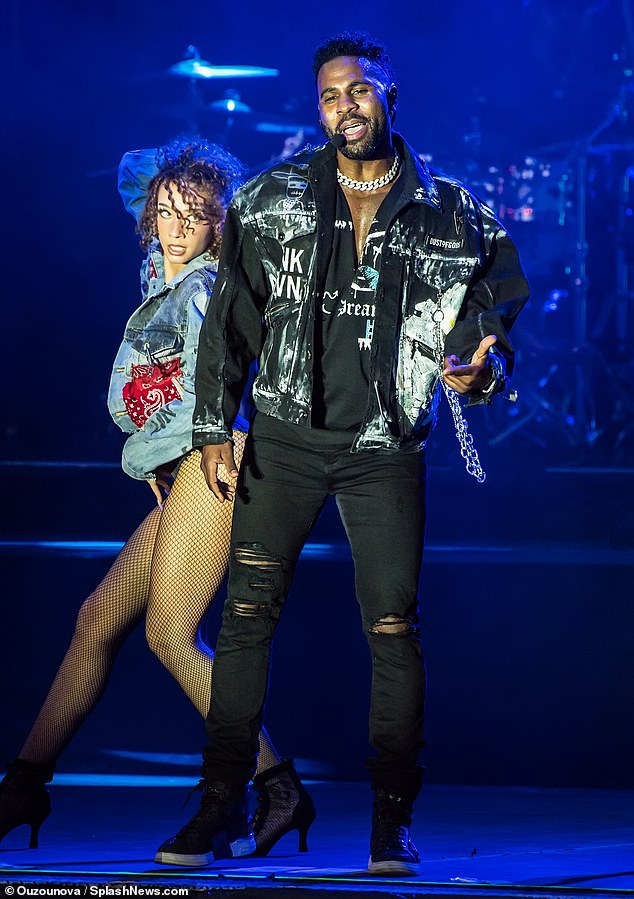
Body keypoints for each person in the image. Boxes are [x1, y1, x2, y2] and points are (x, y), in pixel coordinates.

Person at [155, 32, 529, 875]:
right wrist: (214, 424)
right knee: (246, 620)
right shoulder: (270, 198)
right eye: (329, 95)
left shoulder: (455, 212)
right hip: (283, 439)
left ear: (391, 95)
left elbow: (492, 310)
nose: (344, 106)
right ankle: (222, 804)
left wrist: (482, 364)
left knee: (394, 627)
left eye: (359, 90)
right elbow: (231, 322)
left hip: (385, 445)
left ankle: (392, 818)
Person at [0, 140, 314, 857]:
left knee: (169, 634)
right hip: (176, 476)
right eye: (165, 213)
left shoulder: (214, 286)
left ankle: (272, 786)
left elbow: (231, 373)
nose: (176, 228)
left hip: (216, 467)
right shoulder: (156, 274)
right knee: (94, 621)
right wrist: (181, 170)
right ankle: (22, 784)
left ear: (218, 226)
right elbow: (133, 172)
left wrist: (218, 438)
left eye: (196, 216)